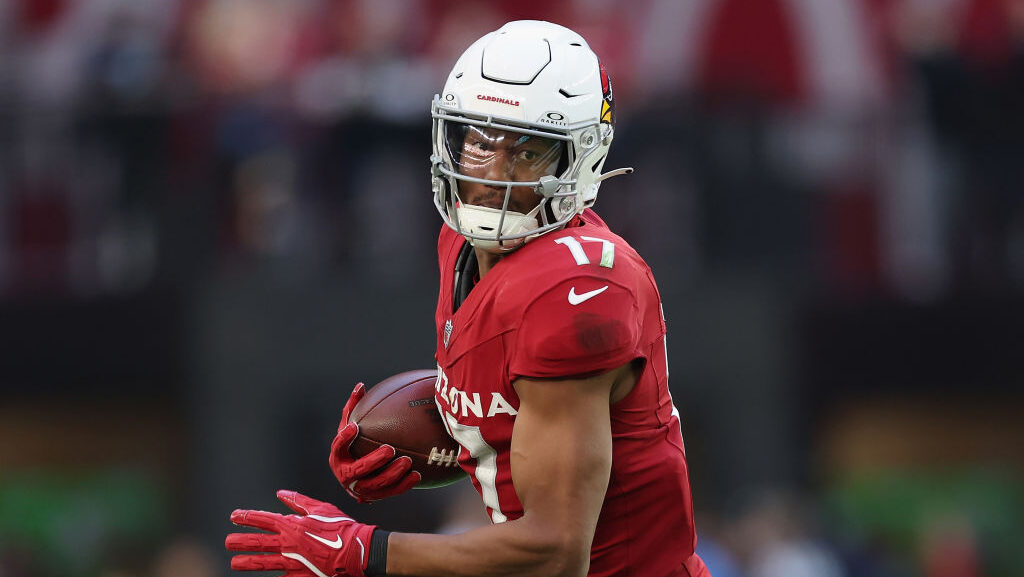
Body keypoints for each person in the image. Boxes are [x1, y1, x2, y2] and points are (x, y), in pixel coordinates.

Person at [225, 20, 710, 577]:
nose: (492, 175)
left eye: (527, 152)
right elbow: (509, 408)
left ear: (580, 159)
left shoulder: (578, 289)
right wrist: (404, 441)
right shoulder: (459, 242)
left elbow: (556, 551)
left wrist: (366, 551)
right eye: (479, 142)